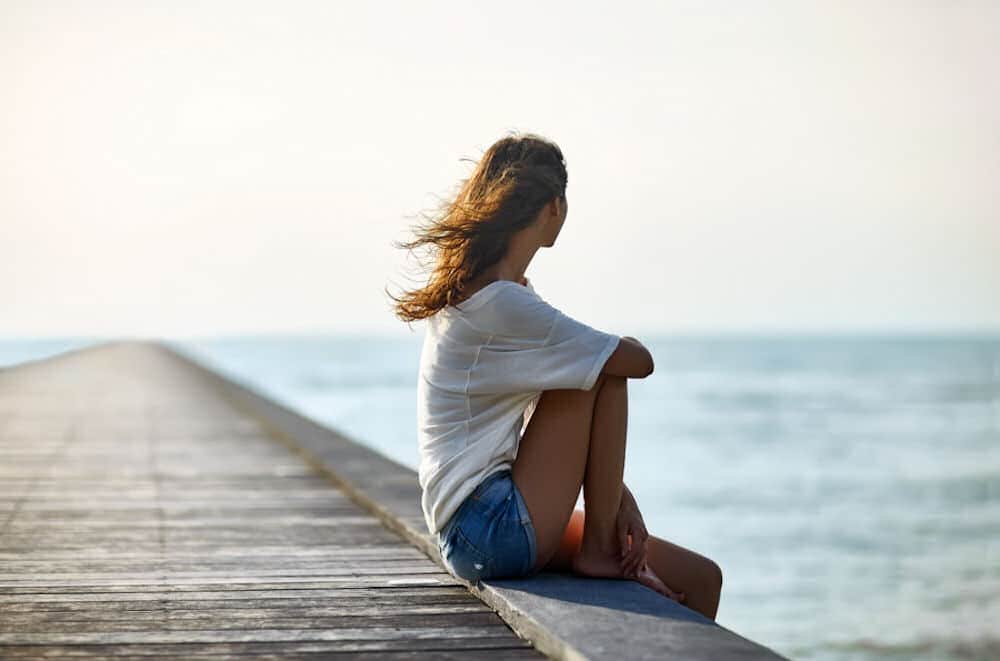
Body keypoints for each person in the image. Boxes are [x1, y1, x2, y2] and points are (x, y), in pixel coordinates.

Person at [389, 132, 722, 620]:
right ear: (554, 206)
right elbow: (635, 360)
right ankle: (600, 549)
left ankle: (603, 542)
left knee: (699, 579)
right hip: (486, 527)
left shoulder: (492, 295)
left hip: (480, 525)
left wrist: (618, 498)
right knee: (607, 367)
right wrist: (606, 515)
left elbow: (551, 414)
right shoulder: (502, 304)